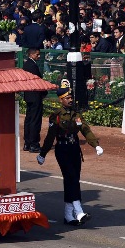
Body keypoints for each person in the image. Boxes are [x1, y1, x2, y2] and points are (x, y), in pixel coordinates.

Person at [37, 87, 103, 226]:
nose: (71, 100)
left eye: (71, 97)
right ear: (61, 100)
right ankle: (78, 211)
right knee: (71, 177)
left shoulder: (76, 114)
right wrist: (43, 153)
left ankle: (68, 215)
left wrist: (95, 145)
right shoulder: (57, 116)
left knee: (73, 180)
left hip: (74, 149)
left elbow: (85, 129)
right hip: (62, 150)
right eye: (67, 98)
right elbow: (50, 137)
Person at [22, 48, 47, 153]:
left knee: (28, 119)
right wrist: (44, 92)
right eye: (37, 54)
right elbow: (38, 80)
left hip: (28, 95)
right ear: (31, 54)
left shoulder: (26, 64)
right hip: (35, 95)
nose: (39, 56)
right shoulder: (32, 65)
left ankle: (27, 143)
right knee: (35, 120)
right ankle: (34, 144)